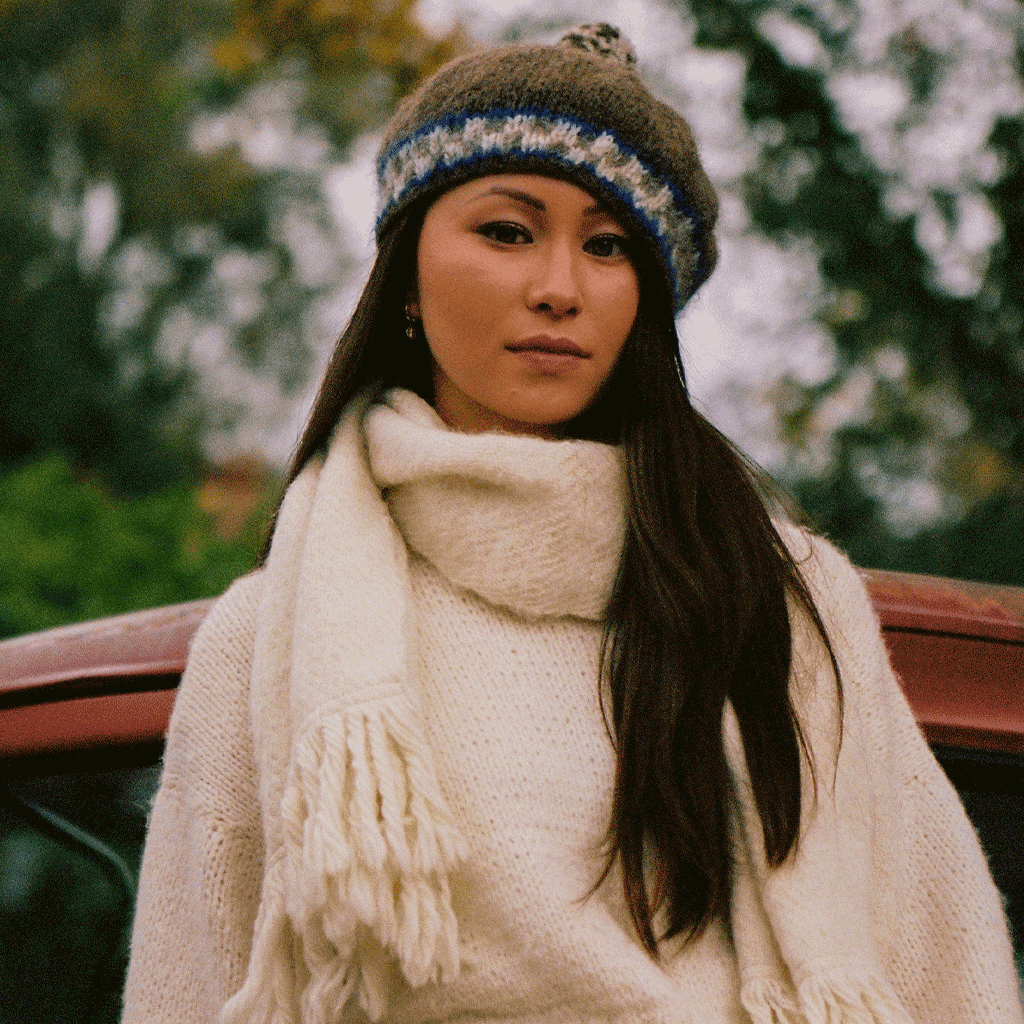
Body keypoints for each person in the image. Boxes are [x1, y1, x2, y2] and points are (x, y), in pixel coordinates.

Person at [121, 23, 1023, 1024]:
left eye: (607, 246)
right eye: (506, 231)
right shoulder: (272, 641)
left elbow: (951, 969)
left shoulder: (780, 605)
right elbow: (188, 988)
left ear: (645, 300)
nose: (558, 287)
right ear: (408, 279)